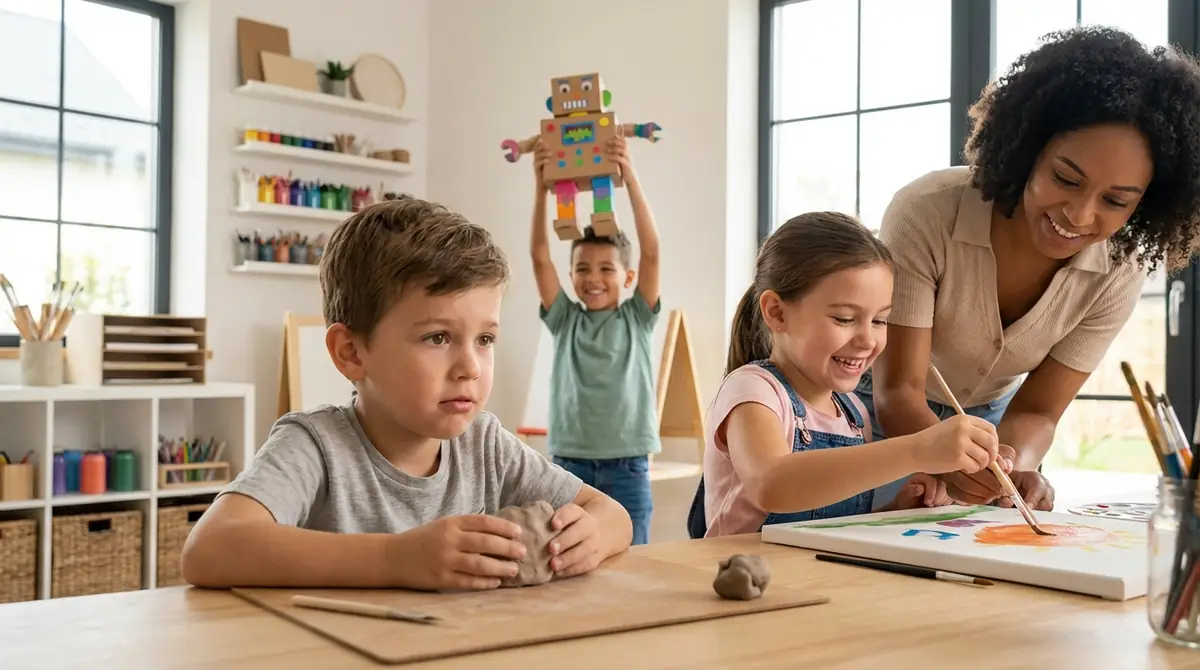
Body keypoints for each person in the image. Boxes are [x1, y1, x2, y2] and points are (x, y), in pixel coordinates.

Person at [180, 198, 633, 590]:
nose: (470, 367)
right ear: (352, 353)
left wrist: (590, 535)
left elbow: (613, 514)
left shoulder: (485, 444)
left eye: (485, 340)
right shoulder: (315, 445)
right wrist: (397, 559)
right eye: (438, 338)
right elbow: (210, 547)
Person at [857, 25, 1200, 512]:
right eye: (1065, 178)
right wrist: (944, 456)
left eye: (1115, 201)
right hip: (876, 408)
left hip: (991, 426)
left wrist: (1018, 468)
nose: (1079, 216)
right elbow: (898, 390)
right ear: (1028, 149)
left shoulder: (1119, 270)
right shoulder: (927, 212)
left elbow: (1038, 409)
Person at [686, 212, 1009, 539]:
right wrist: (918, 449)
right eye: (844, 318)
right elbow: (773, 484)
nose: (868, 340)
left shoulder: (853, 413)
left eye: (880, 321)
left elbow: (833, 528)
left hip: (822, 583)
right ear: (777, 313)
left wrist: (897, 510)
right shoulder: (753, 392)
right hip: (746, 582)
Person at [529, 134, 662, 545]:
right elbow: (538, 256)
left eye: (606, 268)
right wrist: (541, 187)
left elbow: (652, 251)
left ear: (628, 277)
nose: (593, 278)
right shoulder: (565, 320)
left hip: (628, 467)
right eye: (582, 268)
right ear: (571, 276)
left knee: (631, 559)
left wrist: (631, 177)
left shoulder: (637, 317)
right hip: (570, 467)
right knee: (566, 557)